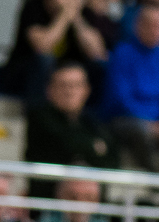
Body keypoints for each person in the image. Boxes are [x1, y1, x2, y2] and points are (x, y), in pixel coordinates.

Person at [0, 0, 107, 104]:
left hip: (68, 72)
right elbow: (43, 47)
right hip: (28, 74)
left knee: (99, 66)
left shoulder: (83, 11)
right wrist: (64, 15)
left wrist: (76, 17)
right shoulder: (33, 7)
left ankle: (91, 115)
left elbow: (98, 52)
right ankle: (39, 111)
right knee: (44, 60)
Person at [100, 3, 159, 172]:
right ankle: (155, 176)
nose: (156, 31)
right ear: (138, 25)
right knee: (141, 130)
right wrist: (153, 126)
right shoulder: (122, 54)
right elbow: (121, 99)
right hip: (125, 119)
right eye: (152, 25)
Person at [23, 62, 116, 197]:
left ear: (87, 90)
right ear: (49, 89)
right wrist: (93, 147)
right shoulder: (39, 118)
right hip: (48, 203)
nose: (69, 92)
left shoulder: (94, 122)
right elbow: (67, 144)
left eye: (76, 85)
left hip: (93, 206)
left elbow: (113, 160)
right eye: (63, 85)